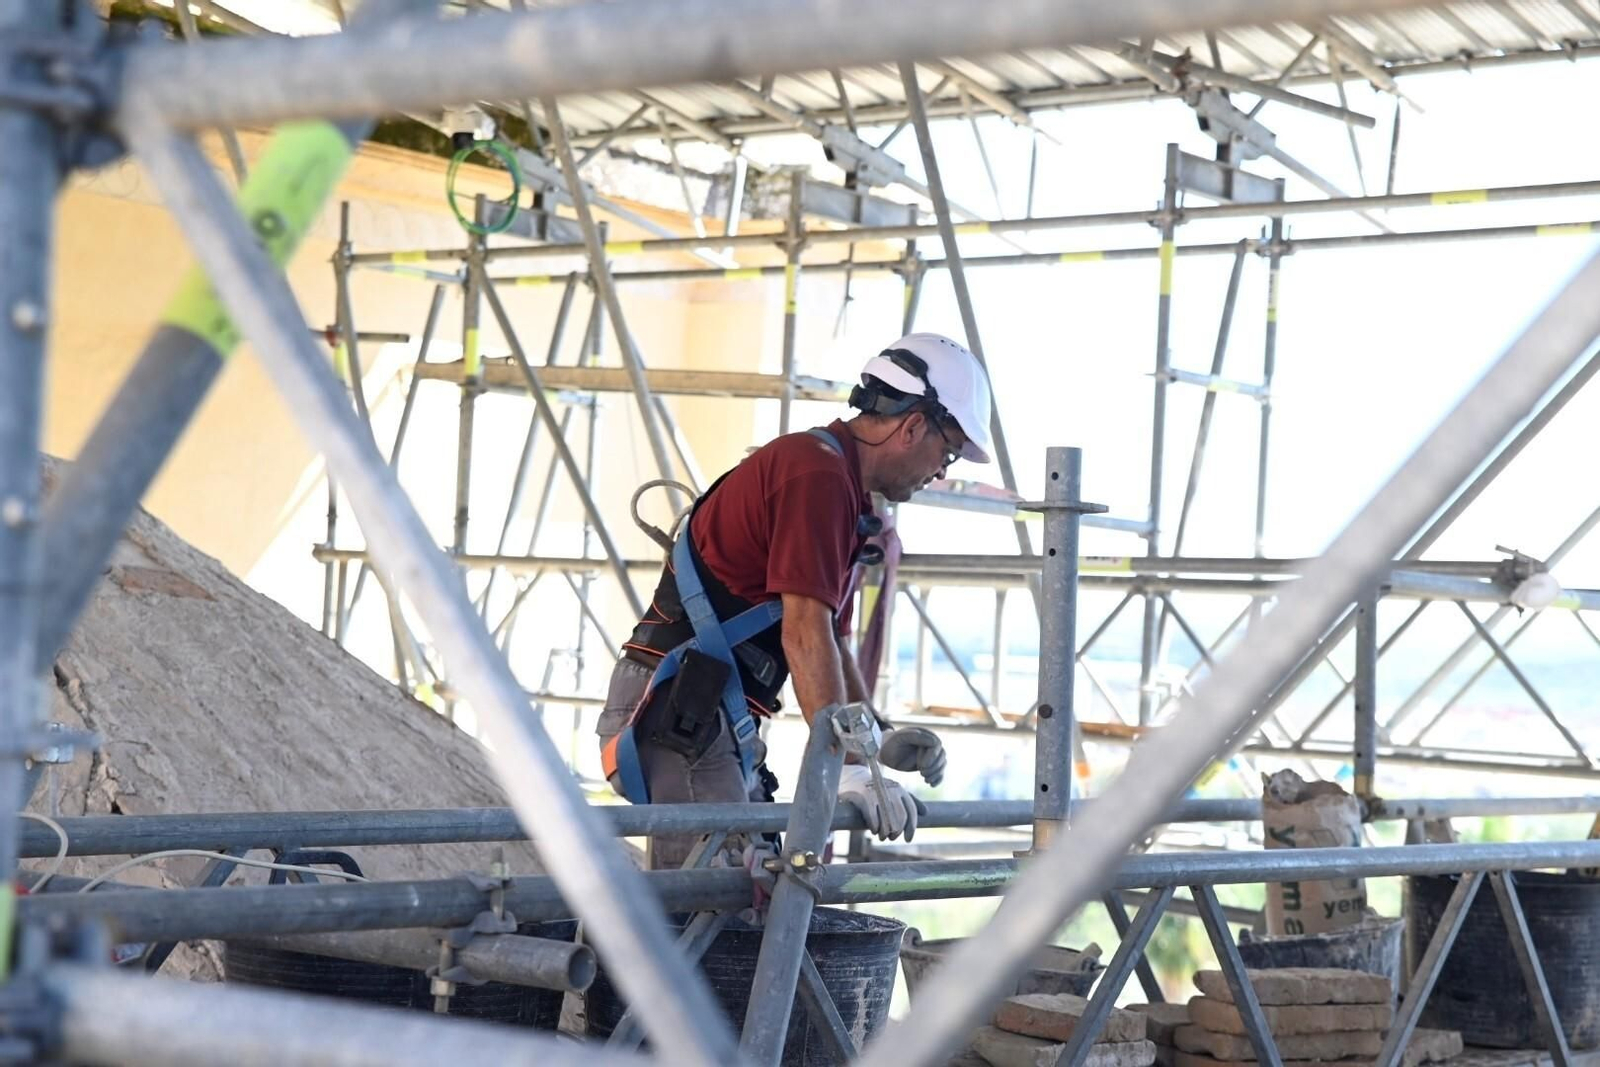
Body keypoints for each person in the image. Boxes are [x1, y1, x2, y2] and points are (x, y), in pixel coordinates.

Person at [597, 333, 995, 868]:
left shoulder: (839, 489)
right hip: (677, 714)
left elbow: (828, 642)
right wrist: (850, 764)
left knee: (740, 897)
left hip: (702, 715)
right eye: (947, 451)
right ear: (914, 425)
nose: (942, 471)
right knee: (717, 908)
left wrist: (876, 738)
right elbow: (804, 634)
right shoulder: (816, 475)